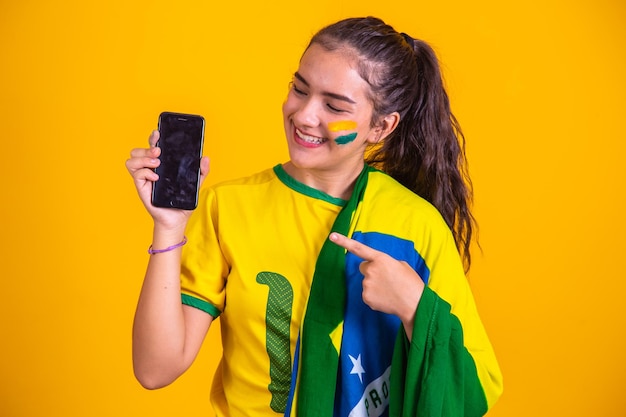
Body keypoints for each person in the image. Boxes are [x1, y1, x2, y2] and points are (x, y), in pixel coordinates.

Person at [126, 16, 503, 417]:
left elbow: (476, 386)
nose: (304, 115)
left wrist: (414, 306)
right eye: (299, 89)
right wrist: (168, 225)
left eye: (334, 105)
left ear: (381, 126)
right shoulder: (230, 207)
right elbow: (155, 369)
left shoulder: (416, 225)